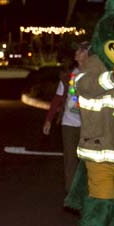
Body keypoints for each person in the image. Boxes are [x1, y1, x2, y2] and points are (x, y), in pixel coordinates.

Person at [43, 40, 90, 205]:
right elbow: (57, 98)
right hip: (69, 123)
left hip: (88, 125)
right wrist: (48, 120)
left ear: (87, 54)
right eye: (76, 51)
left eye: (80, 51)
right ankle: (72, 194)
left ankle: (88, 193)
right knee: (70, 161)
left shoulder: (95, 75)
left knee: (87, 160)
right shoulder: (69, 75)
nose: (76, 54)